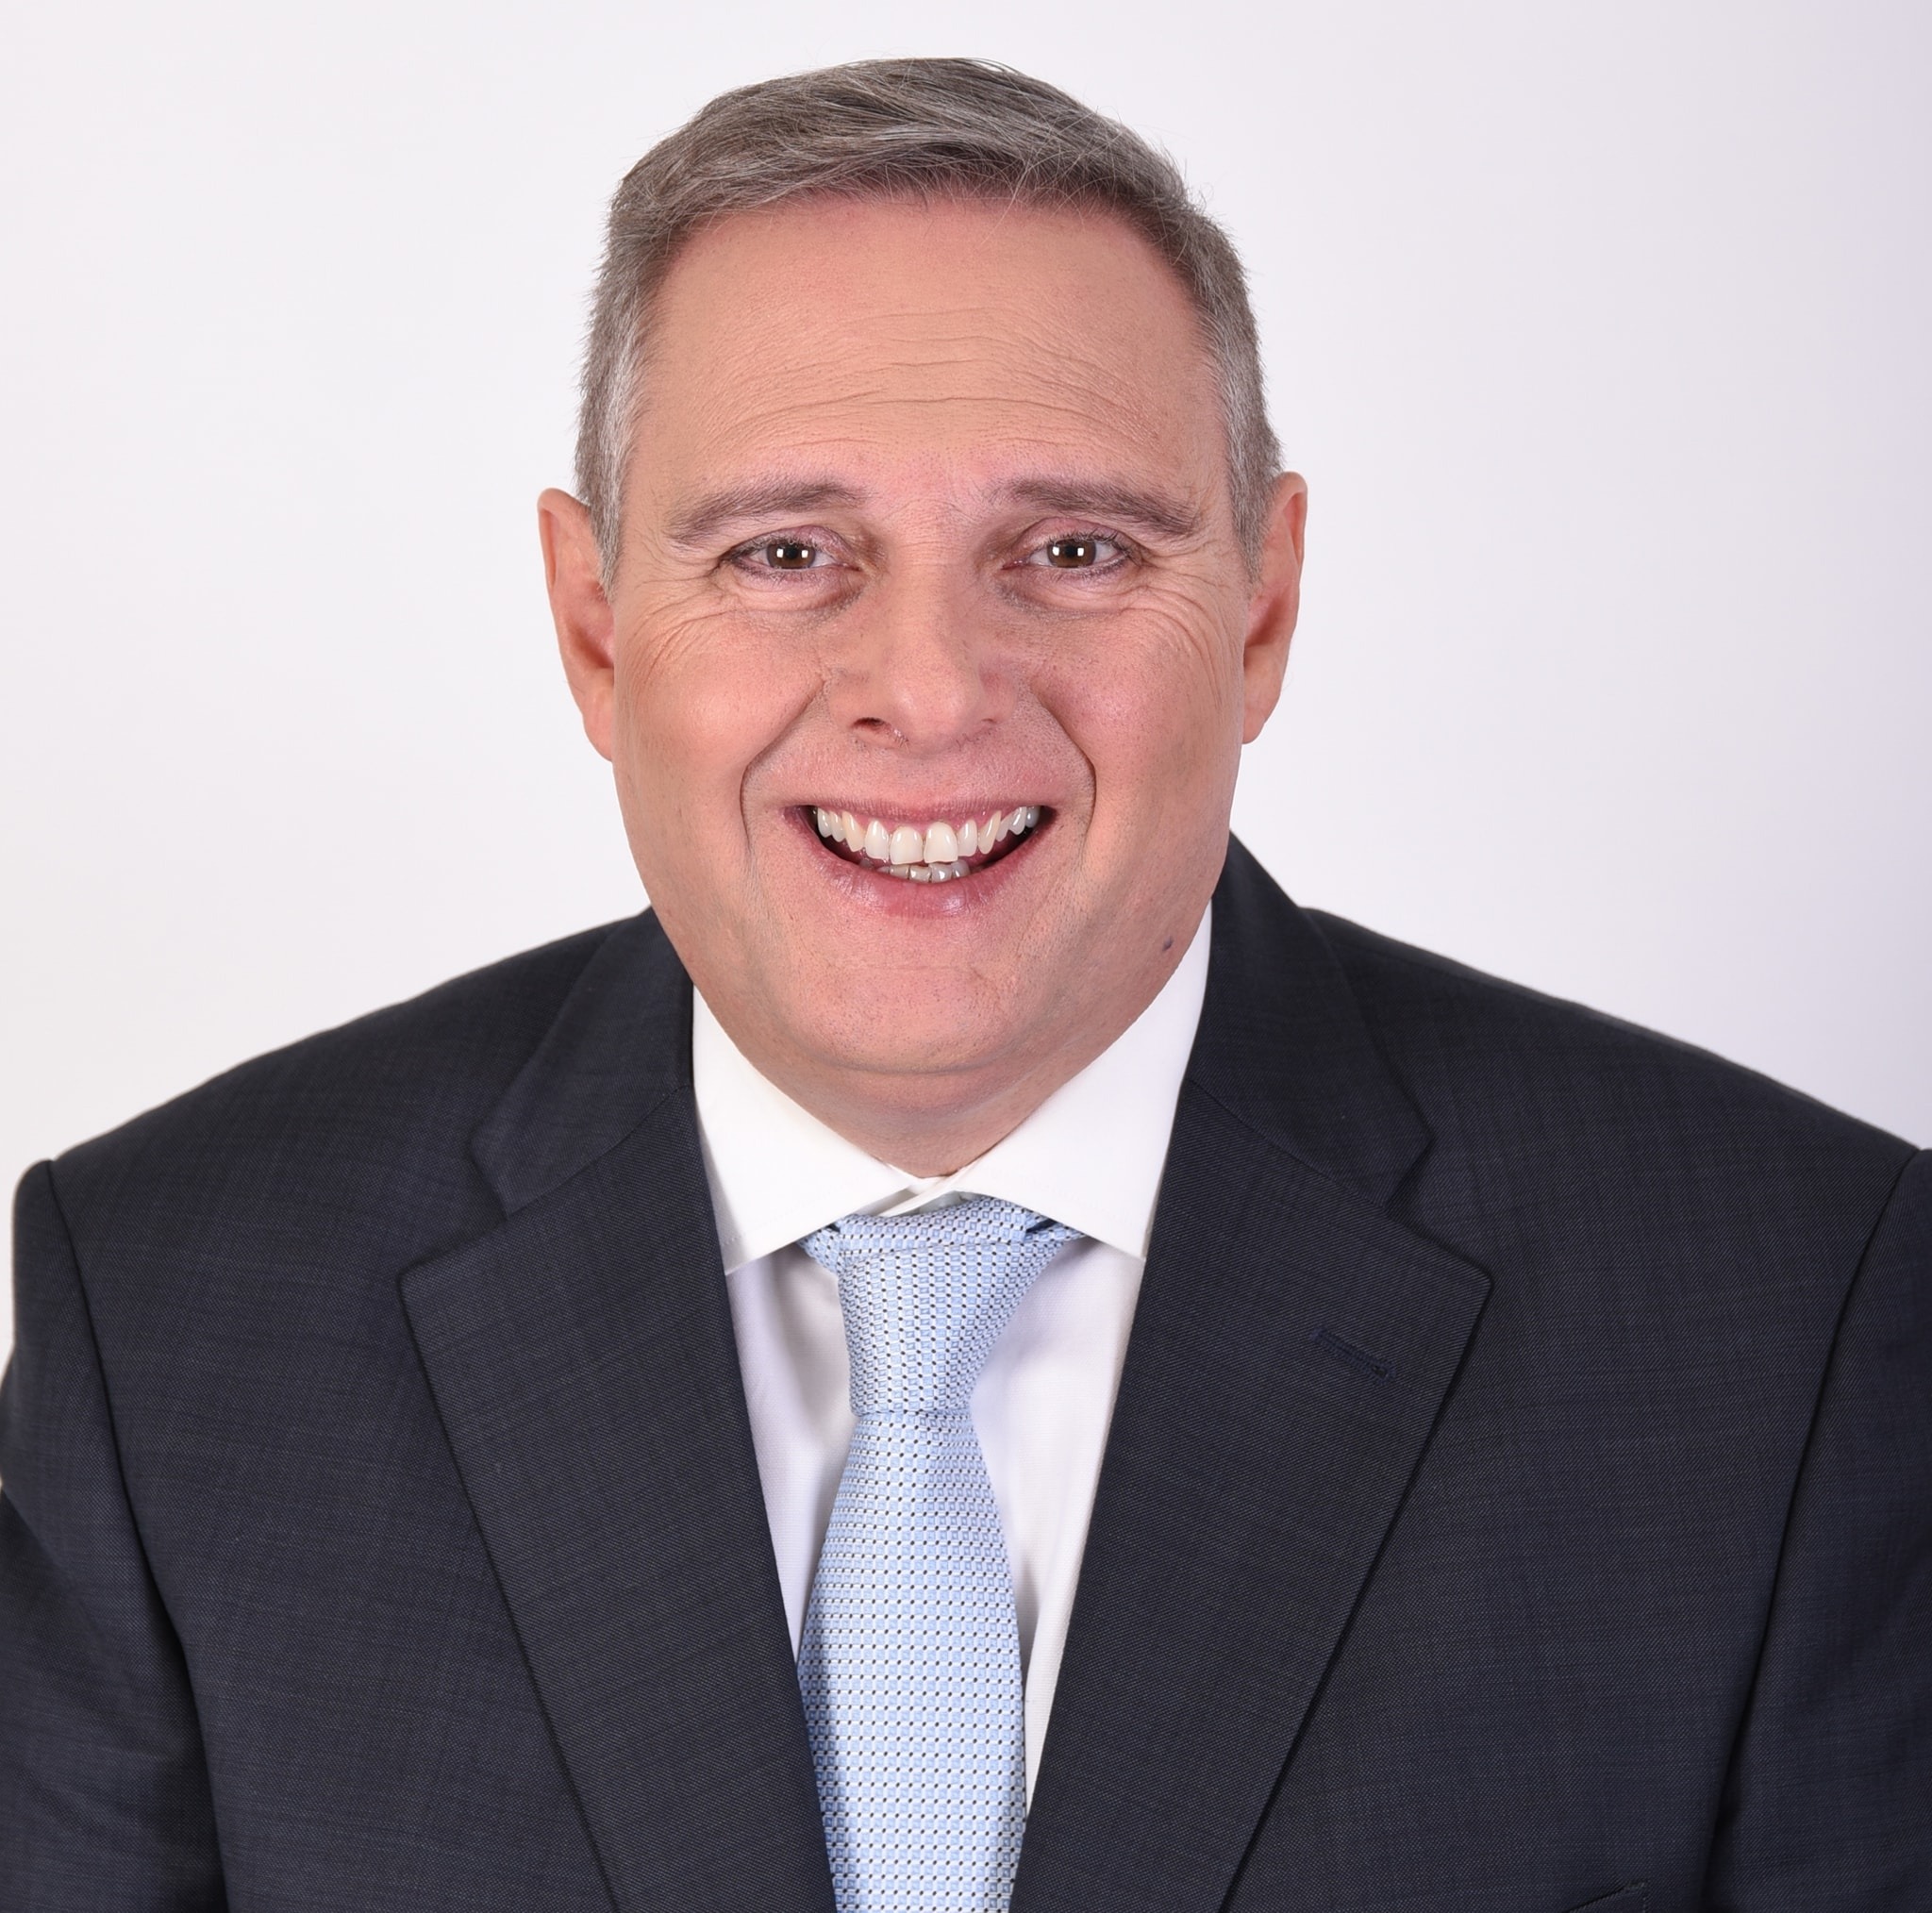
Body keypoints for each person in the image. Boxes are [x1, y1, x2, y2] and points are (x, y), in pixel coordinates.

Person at [1, 56, 1924, 1913]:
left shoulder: (1792, 1317)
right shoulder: (172, 1313)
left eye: (1072, 549)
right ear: (595, 631)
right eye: (786, 552)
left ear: (1261, 607)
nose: (928, 692)